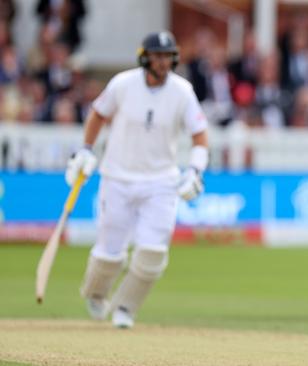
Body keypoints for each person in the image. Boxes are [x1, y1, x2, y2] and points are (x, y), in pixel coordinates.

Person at [65, 31, 209, 329]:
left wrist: (195, 170)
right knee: (109, 251)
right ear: (145, 57)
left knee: (153, 252)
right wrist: (86, 150)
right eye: (158, 56)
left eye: (168, 56)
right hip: (117, 177)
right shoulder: (122, 84)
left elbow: (199, 135)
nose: (163, 62)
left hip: (160, 182)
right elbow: (97, 114)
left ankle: (125, 308)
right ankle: (96, 293)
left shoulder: (182, 91)